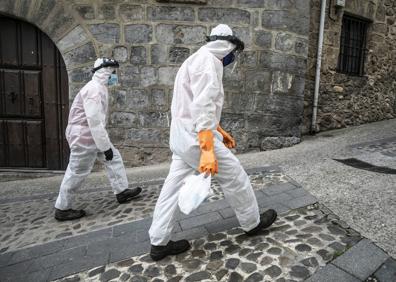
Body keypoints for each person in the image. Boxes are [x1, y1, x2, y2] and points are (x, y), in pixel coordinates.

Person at [148, 24, 277, 261]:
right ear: (228, 46)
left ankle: (158, 242)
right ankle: (252, 223)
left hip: (182, 137)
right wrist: (208, 150)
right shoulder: (211, 63)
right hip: (197, 140)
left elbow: (192, 106)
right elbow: (204, 106)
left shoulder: (193, 60)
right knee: (235, 176)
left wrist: (220, 131)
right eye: (234, 52)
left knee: (171, 189)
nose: (233, 58)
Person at [54, 58, 142, 221]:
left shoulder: (99, 87)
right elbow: (94, 121)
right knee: (77, 170)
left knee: (113, 158)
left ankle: (122, 191)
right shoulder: (94, 90)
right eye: (114, 72)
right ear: (106, 71)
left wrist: (105, 146)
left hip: (90, 135)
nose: (116, 75)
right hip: (84, 137)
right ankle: (62, 208)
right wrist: (105, 146)